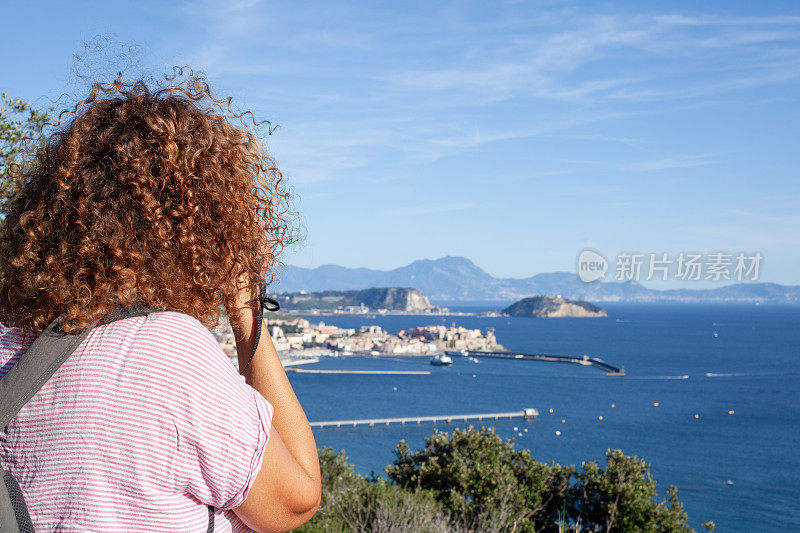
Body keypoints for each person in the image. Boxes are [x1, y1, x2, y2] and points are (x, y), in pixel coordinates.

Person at [0, 73, 321, 532]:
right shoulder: (168, 350)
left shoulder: (6, 337)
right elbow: (296, 501)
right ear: (204, 225)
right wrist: (248, 317)